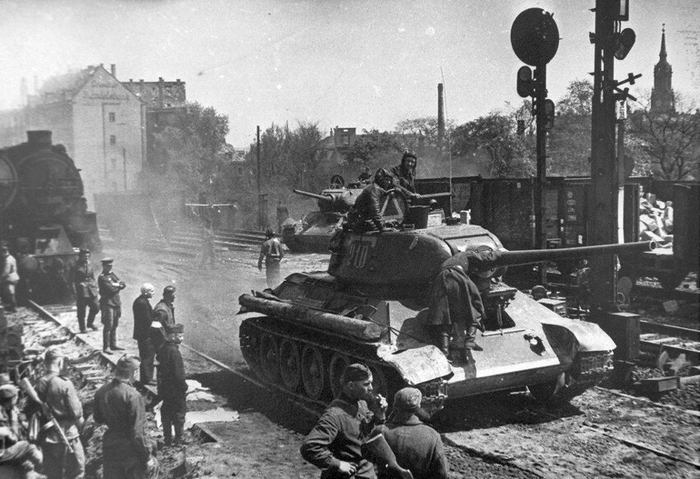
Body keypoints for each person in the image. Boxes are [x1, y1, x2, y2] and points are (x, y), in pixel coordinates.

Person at [300, 363, 388, 479]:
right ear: (351, 385)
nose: (371, 388)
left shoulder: (361, 404)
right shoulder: (334, 415)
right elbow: (309, 447)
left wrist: (379, 414)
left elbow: (367, 435)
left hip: (366, 470)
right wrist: (338, 464)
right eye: (366, 384)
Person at [93, 355, 158, 479]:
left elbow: (98, 419)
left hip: (110, 445)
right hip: (130, 450)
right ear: (134, 372)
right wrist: (147, 457)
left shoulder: (101, 391)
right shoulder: (133, 395)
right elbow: (138, 432)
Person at [374, 388, 448, 479]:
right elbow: (442, 473)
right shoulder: (432, 435)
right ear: (418, 407)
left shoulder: (380, 431)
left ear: (395, 405)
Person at [33, 348, 85, 479]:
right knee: (76, 472)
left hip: (47, 436)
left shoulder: (39, 383)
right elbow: (76, 413)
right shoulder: (64, 383)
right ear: (60, 362)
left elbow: (32, 409)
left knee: (53, 474)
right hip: (67, 435)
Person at [428, 252, 487, 359]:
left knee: (444, 315)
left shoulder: (452, 262)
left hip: (442, 279)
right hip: (457, 277)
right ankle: (469, 344)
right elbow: (486, 257)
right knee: (475, 310)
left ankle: (445, 351)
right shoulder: (466, 255)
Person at [0, 383, 43, 478]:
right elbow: (13, 438)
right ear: (13, 399)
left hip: (6, 448)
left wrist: (21, 421)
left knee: (26, 461)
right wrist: (14, 419)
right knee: (28, 446)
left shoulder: (7, 408)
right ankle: (48, 467)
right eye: (16, 397)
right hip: (3, 452)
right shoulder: (2, 413)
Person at [156, 324, 188, 446]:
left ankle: (167, 438)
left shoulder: (163, 347)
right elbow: (178, 373)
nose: (182, 338)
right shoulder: (174, 351)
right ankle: (179, 439)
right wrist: (184, 386)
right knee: (179, 412)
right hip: (175, 388)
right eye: (180, 336)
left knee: (166, 413)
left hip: (165, 387)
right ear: (173, 336)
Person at [346, 168, 395, 233]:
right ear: (380, 179)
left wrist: (384, 223)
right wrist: (382, 228)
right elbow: (375, 212)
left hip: (363, 220)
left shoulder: (376, 188)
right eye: (386, 180)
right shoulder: (374, 190)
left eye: (389, 180)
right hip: (361, 222)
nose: (389, 182)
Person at [98, 258, 126, 354]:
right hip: (108, 303)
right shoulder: (102, 277)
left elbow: (123, 284)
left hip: (116, 302)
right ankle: (106, 347)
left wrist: (117, 285)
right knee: (108, 325)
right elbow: (110, 290)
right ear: (103, 266)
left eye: (111, 266)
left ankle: (113, 344)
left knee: (115, 324)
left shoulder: (112, 275)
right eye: (108, 266)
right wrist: (118, 286)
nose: (109, 267)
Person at [70, 248, 99, 333]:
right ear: (80, 256)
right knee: (81, 311)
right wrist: (74, 292)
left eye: (88, 256)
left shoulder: (90, 264)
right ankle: (82, 328)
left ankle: (90, 323)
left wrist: (95, 286)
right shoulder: (75, 266)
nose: (86, 258)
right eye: (85, 256)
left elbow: (92, 277)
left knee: (96, 307)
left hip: (91, 290)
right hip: (81, 291)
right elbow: (71, 281)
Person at [132, 283, 156, 386]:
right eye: (151, 291)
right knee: (147, 356)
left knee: (146, 356)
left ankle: (147, 377)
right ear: (146, 292)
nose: (153, 293)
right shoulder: (143, 303)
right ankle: (147, 379)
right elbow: (148, 320)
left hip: (142, 334)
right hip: (145, 334)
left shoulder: (140, 301)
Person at [152, 285, 176, 352]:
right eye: (174, 294)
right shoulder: (162, 310)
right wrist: (167, 341)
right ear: (168, 295)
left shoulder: (167, 306)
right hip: (163, 343)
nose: (175, 296)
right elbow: (158, 329)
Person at [1, 244, 19, 312]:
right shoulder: (12, 257)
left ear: (4, 252)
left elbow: (6, 272)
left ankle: (13, 307)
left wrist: (0, 278)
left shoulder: (7, 260)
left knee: (10, 293)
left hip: (10, 279)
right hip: (14, 277)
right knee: (10, 292)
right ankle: (11, 306)